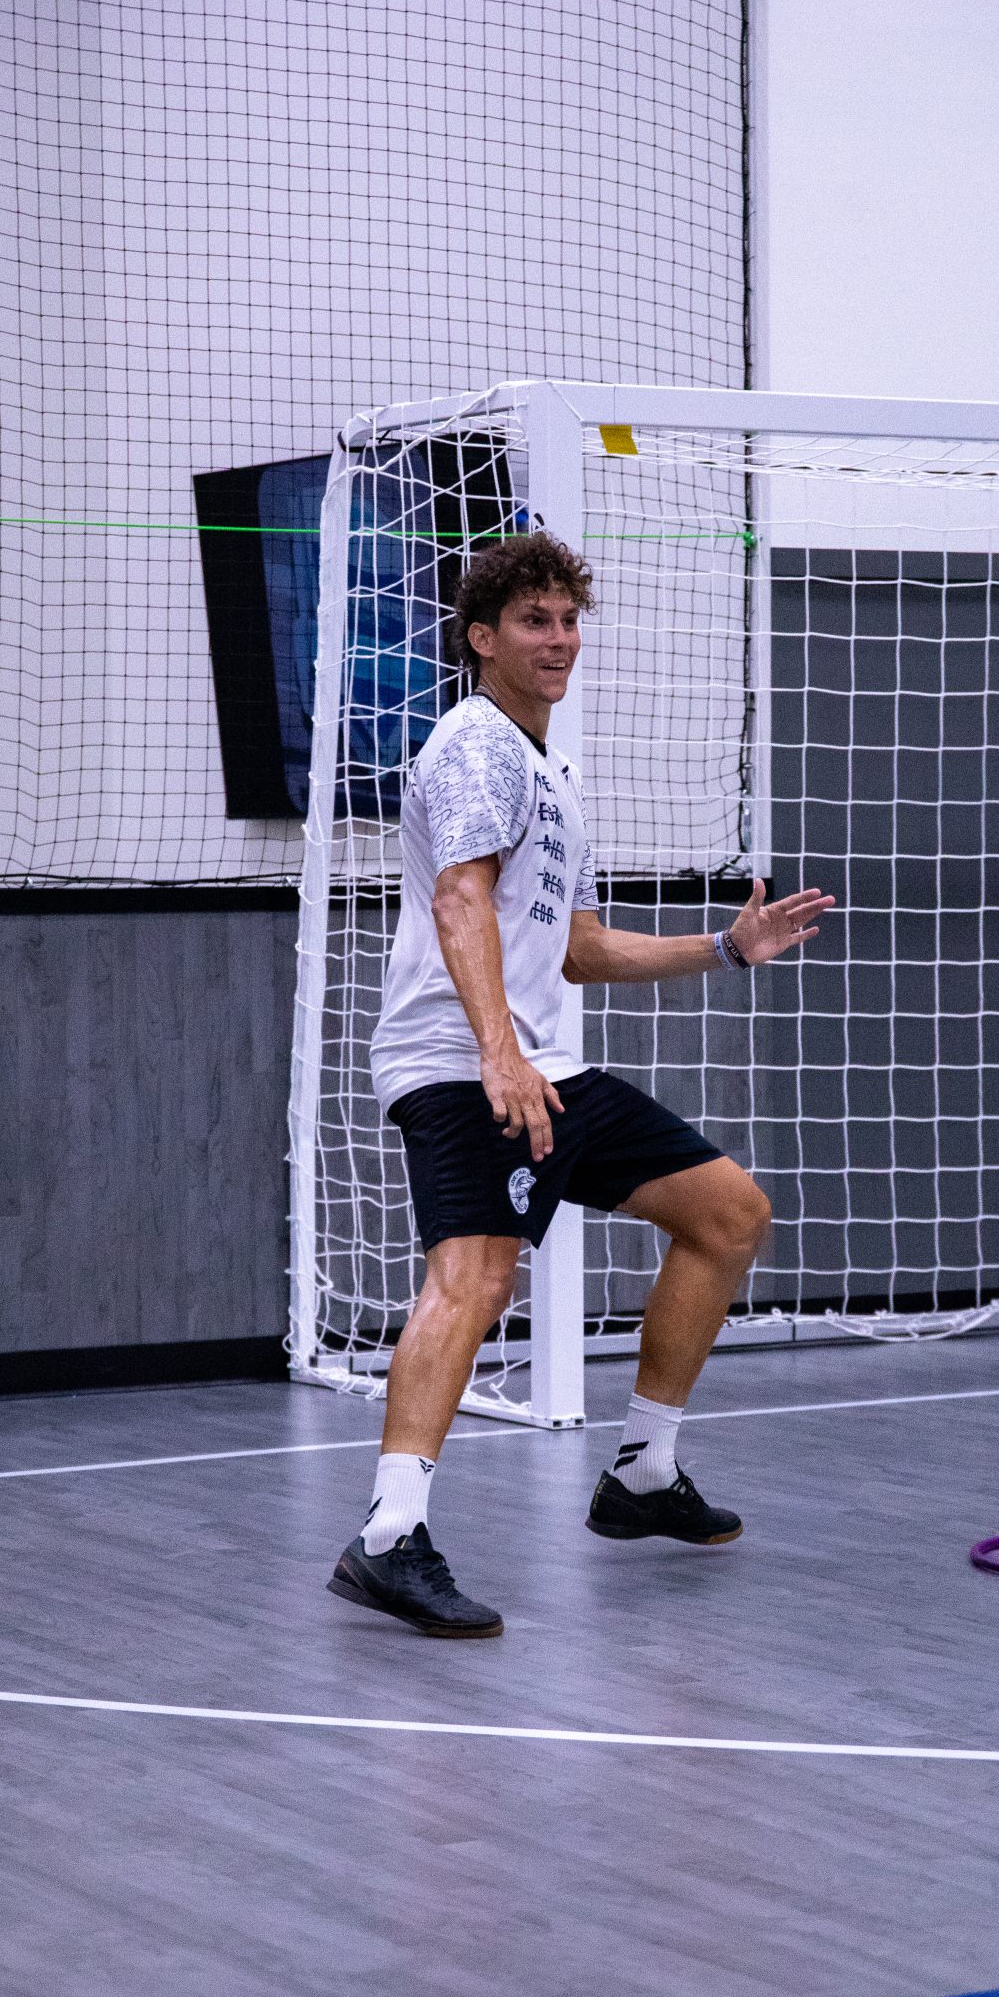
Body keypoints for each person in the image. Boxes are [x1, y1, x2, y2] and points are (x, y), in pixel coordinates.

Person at [327, 531, 834, 1637]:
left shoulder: (548, 768)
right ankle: (386, 1537)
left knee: (728, 1214)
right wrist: (499, 1053)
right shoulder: (475, 748)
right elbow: (462, 904)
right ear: (482, 639)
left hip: (549, 1065)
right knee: (472, 1282)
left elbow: (577, 947)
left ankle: (644, 1473)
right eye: (532, 623)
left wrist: (727, 948)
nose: (558, 640)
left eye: (567, 621)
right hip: (465, 1067)